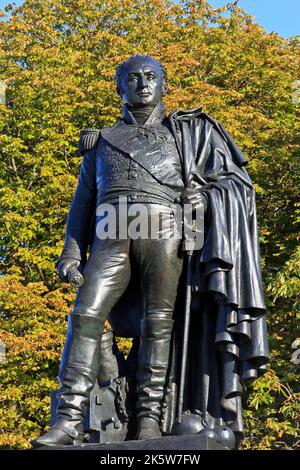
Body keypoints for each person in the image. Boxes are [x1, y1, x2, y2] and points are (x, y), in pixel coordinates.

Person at [33, 55, 269, 448]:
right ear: (118, 87)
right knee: (86, 313)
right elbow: (82, 203)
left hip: (164, 228)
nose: (142, 84)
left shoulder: (187, 136)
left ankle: (148, 421)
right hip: (110, 230)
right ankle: (69, 419)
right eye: (132, 78)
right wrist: (71, 254)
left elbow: (233, 183)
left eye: (150, 77)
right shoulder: (100, 141)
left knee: (159, 323)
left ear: (163, 84)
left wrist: (205, 198)